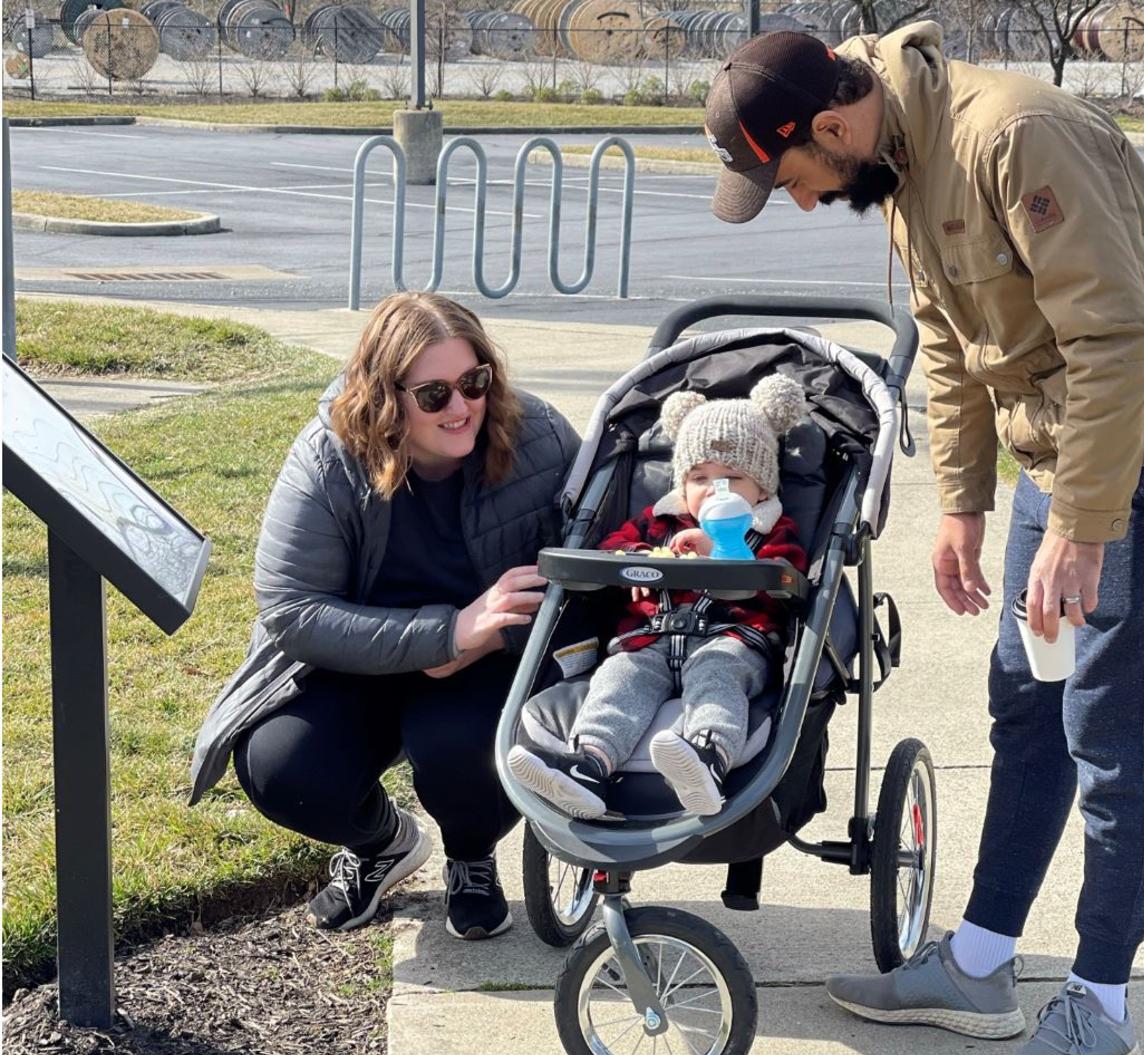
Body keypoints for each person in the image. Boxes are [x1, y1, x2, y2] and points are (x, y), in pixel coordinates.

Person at [703, 24, 1144, 1055]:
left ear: (832, 123)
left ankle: (1100, 1006)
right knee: (1027, 708)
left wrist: (1079, 526)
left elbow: (1118, 336)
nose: (798, 199)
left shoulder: (1016, 137)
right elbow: (946, 339)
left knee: (1114, 741)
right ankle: (979, 962)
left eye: (792, 176)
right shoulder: (901, 165)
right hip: (1056, 460)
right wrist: (965, 504)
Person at [188, 292, 580, 941]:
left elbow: (596, 559)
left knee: (466, 749)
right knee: (281, 766)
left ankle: (471, 855)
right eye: (434, 395)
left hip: (482, 664)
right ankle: (382, 843)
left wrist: (489, 633)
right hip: (356, 659)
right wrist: (444, 633)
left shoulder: (537, 435)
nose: (461, 408)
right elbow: (290, 608)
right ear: (386, 395)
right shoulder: (328, 455)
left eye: (474, 382)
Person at [508, 376, 809, 818]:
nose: (713, 489)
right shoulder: (658, 521)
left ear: (762, 488)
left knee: (716, 676)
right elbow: (610, 549)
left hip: (733, 640)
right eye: (699, 477)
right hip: (649, 639)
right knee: (617, 681)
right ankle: (589, 765)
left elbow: (787, 580)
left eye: (731, 478)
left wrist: (723, 551)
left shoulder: (770, 530)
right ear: (682, 482)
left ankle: (707, 760)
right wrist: (640, 558)